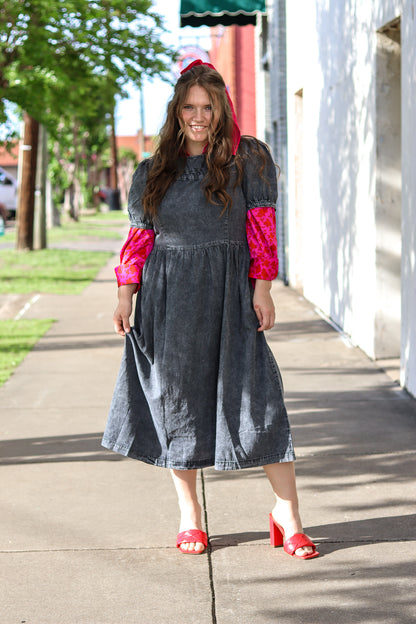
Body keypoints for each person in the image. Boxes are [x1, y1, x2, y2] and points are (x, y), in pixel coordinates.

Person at [102, 60, 319, 559]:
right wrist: (124, 294)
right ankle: (190, 516)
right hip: (167, 298)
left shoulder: (249, 159)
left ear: (222, 110)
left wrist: (262, 288)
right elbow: (140, 239)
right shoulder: (152, 170)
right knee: (177, 402)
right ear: (177, 111)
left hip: (229, 295)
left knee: (258, 399)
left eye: (208, 107)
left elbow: (262, 229)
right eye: (190, 107)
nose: (199, 117)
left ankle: (287, 514)